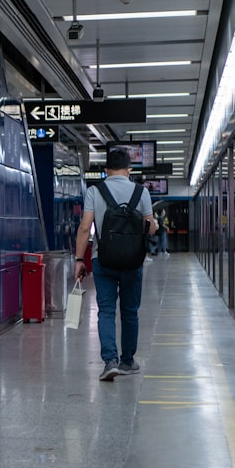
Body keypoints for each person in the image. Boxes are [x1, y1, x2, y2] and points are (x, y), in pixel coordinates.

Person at [74, 148, 155, 382]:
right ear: (129, 169)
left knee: (106, 311)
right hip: (133, 261)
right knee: (130, 311)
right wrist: (154, 226)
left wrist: (80, 260)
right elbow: (149, 227)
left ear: (106, 170)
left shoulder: (94, 191)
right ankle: (127, 361)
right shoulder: (142, 192)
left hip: (103, 259)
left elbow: (84, 227)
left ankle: (109, 361)